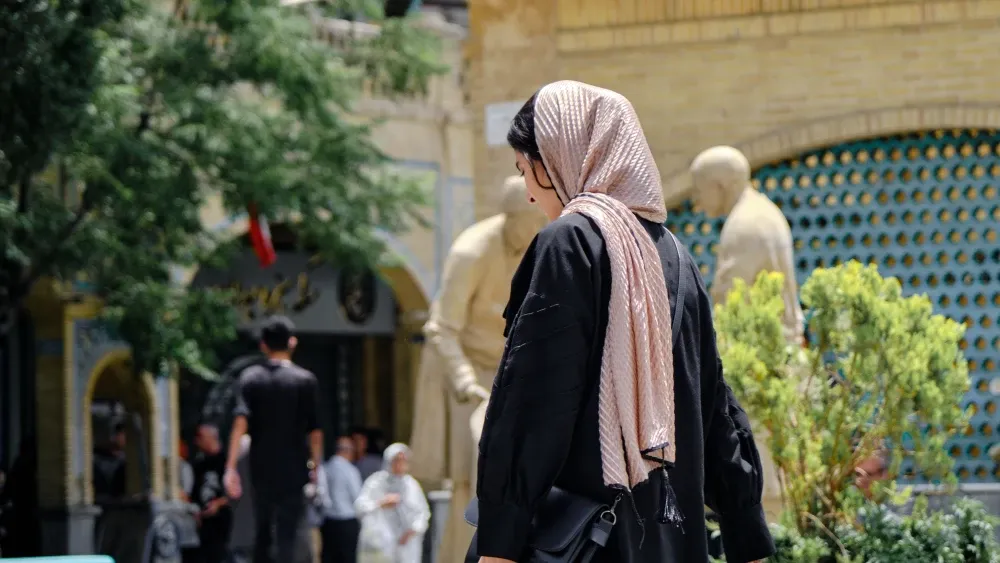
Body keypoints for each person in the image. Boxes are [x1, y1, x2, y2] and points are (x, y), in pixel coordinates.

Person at [471, 80, 775, 563]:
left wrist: (499, 543)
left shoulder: (569, 243)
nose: (528, 193)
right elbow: (713, 404)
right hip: (669, 540)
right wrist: (747, 534)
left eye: (526, 169)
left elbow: (533, 404)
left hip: (586, 543)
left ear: (561, 158)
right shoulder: (675, 255)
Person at [224, 315, 324, 563]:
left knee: (262, 532)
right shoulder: (305, 381)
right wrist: (315, 467)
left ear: (263, 345)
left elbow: (240, 423)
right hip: (294, 468)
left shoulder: (251, 378)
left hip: (260, 467)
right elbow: (315, 432)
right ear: (292, 343)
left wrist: (230, 467)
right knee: (288, 534)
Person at [355, 444, 430, 563]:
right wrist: (381, 503)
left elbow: (423, 513)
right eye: (396, 460)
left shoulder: (411, 485)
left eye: (403, 460)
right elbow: (360, 507)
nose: (400, 464)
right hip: (379, 547)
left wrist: (412, 530)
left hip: (407, 547)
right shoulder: (375, 482)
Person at [191, 423, 232, 563]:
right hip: (204, 527)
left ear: (211, 438)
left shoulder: (227, 462)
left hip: (224, 527)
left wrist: (219, 504)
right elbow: (194, 493)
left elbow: (237, 494)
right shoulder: (199, 465)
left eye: (200, 437)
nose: (197, 441)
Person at [322, 436, 364, 563]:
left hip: (328, 521)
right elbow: (358, 498)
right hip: (347, 522)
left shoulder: (325, 468)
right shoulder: (350, 470)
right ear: (347, 451)